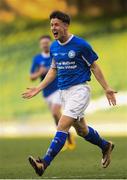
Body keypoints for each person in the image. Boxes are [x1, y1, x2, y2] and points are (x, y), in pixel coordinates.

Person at [22, 11, 117, 176]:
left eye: (56, 24)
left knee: (62, 125)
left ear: (66, 25)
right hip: (64, 93)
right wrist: (38, 88)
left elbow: (94, 66)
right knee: (82, 131)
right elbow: (53, 69)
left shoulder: (81, 45)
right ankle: (105, 146)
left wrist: (106, 88)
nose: (53, 28)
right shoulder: (54, 47)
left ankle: (43, 163)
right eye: (51, 25)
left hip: (80, 90)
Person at [30, 35, 75, 150]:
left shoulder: (55, 55)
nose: (45, 44)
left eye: (47, 42)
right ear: (40, 45)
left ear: (50, 43)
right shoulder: (37, 59)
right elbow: (32, 77)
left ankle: (63, 137)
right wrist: (40, 72)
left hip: (58, 89)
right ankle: (67, 135)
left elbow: (64, 67)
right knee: (55, 117)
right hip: (46, 93)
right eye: (43, 43)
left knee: (56, 112)